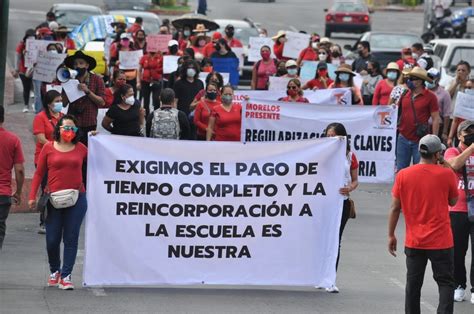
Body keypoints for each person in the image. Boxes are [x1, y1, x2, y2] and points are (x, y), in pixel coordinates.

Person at [388, 134, 458, 314]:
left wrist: (391, 234)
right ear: (437, 155)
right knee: (446, 283)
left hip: (415, 241)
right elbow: (453, 201)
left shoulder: (403, 174)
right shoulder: (447, 174)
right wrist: (446, 166)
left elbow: (395, 208)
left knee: (413, 285)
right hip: (441, 241)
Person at [28, 115, 88, 290]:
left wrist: (97, 138)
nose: (69, 131)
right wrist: (32, 196)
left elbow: (101, 159)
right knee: (52, 239)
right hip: (53, 199)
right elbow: (39, 174)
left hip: (77, 198)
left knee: (71, 237)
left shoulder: (82, 148)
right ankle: (55, 271)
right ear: (59, 129)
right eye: (66, 127)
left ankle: (66, 275)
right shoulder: (48, 147)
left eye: (73, 128)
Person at [322, 122, 358, 293]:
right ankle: (319, 275)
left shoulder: (350, 156)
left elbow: (355, 179)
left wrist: (350, 187)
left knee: (336, 240)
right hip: (323, 202)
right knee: (321, 239)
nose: (331, 139)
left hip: (341, 202)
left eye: (334, 136)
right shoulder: (321, 153)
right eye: (328, 135)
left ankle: (330, 278)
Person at [444, 120, 474, 304]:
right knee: (458, 251)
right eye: (468, 132)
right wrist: (471, 149)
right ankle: (459, 285)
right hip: (457, 209)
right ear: (459, 135)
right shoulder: (452, 151)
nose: (471, 134)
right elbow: (454, 165)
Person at [396, 67, 441, 171]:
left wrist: (433, 138)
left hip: (421, 139)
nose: (409, 80)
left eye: (412, 78)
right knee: (401, 170)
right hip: (403, 137)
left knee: (421, 169)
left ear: (420, 81)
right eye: (409, 78)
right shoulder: (404, 94)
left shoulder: (430, 97)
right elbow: (397, 112)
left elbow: (435, 118)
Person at [33, 90, 64, 233]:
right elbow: (40, 138)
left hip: (61, 158)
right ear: (49, 103)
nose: (59, 103)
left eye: (60, 100)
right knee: (47, 189)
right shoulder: (41, 117)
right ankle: (44, 222)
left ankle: (57, 220)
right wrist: (55, 147)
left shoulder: (63, 118)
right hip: (44, 159)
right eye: (56, 101)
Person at [62, 51, 106, 146]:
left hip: (89, 122)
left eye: (81, 63)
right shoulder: (69, 79)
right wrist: (67, 87)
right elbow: (64, 103)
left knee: (87, 151)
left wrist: (88, 91)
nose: (78, 66)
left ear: (87, 65)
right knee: (70, 148)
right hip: (72, 122)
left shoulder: (97, 79)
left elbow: (102, 102)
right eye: (75, 64)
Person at [0, 105, 25, 250]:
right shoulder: (12, 139)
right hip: (3, 194)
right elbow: (20, 170)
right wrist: (19, 192)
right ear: (3, 118)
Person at [426, 68, 452, 142]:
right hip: (423, 127)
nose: (429, 79)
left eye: (432, 77)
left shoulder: (444, 94)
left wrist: (444, 132)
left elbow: (446, 115)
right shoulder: (422, 91)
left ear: (437, 79)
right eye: (428, 77)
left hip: (437, 127)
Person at [14, 29, 35, 113]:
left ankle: (35, 104)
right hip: (24, 71)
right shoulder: (21, 45)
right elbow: (17, 57)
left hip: (34, 70)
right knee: (26, 88)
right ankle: (26, 105)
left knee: (35, 89)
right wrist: (16, 69)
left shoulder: (38, 45)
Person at [137, 49, 163, 117]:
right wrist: (138, 82)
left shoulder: (160, 57)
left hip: (156, 82)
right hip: (145, 82)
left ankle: (156, 116)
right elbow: (139, 70)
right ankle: (147, 117)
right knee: (146, 101)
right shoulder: (144, 57)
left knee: (157, 100)